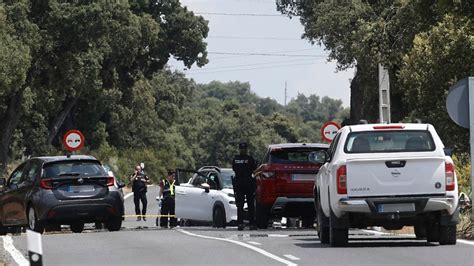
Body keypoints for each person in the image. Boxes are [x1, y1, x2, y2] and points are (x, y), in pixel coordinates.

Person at [232, 142, 257, 231]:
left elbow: (234, 169)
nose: (243, 150)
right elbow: (254, 169)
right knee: (250, 205)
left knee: (241, 205)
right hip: (248, 184)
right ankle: (251, 224)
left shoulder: (235, 159)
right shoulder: (250, 159)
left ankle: (240, 223)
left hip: (239, 184)